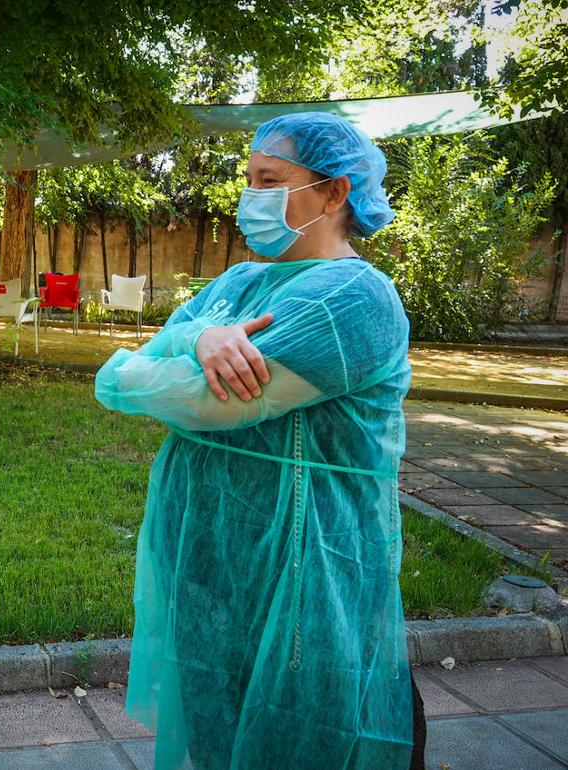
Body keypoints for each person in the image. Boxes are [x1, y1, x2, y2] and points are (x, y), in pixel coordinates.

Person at [95, 112, 426, 769]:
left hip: (307, 576)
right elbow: (118, 377)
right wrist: (200, 338)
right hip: (213, 569)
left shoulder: (357, 298)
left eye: (269, 179)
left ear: (335, 193)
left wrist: (167, 358)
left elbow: (207, 404)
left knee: (307, 740)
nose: (251, 196)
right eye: (249, 179)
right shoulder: (239, 284)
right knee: (219, 737)